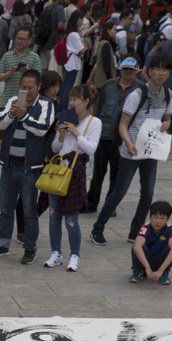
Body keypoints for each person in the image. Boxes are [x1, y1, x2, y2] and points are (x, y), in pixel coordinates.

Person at [91, 54, 172, 246]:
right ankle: (97, 229)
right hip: (131, 150)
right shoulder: (137, 95)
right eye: (157, 69)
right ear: (149, 71)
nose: (161, 73)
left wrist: (167, 124)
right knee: (119, 191)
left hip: (150, 152)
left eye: (165, 70)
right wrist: (128, 143)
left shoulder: (169, 95)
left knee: (148, 193)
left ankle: (135, 232)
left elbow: (167, 118)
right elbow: (123, 125)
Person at [0, 67, 55, 264]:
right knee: (5, 208)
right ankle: (3, 244)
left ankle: (30, 247)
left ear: (39, 87)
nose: (26, 90)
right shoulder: (12, 101)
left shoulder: (46, 105)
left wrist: (23, 116)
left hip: (30, 168)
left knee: (29, 210)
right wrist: (13, 112)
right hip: (8, 165)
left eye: (30, 87)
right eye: (23, 87)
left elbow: (42, 129)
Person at [44, 83, 101, 273]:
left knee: (71, 220)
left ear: (86, 101)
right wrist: (60, 136)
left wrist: (76, 133)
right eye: (70, 99)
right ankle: (56, 253)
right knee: (54, 217)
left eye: (76, 99)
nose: (72, 103)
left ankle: (75, 255)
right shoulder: (65, 118)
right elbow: (55, 149)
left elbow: (91, 149)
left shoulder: (94, 122)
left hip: (76, 175)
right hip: (58, 172)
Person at [86, 55, 138, 212]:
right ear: (120, 70)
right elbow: (97, 108)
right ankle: (91, 202)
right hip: (104, 135)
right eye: (125, 69)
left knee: (116, 175)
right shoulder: (108, 86)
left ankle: (110, 205)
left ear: (136, 71)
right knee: (98, 173)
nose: (128, 72)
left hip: (123, 140)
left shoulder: (140, 89)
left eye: (131, 70)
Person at [129, 199, 172, 283]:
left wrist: (161, 270)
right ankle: (138, 272)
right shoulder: (145, 228)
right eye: (155, 217)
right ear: (150, 217)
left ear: (167, 219)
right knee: (137, 246)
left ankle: (164, 274)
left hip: (159, 263)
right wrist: (147, 267)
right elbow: (137, 246)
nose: (158, 221)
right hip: (144, 261)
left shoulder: (169, 229)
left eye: (162, 218)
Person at [0, 26, 41, 105]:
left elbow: (39, 78)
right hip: (7, 100)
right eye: (17, 38)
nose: (19, 41)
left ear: (29, 41)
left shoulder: (35, 57)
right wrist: (9, 73)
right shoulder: (7, 55)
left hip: (26, 102)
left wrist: (28, 72)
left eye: (22, 39)